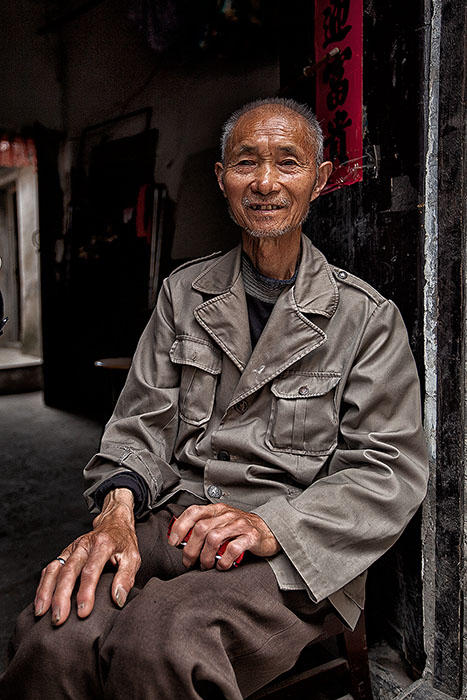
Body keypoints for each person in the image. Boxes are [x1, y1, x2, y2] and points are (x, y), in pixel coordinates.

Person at [0, 98, 428, 699]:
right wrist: (116, 515)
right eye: (246, 162)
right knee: (54, 628)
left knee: (162, 640)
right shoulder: (184, 293)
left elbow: (389, 471)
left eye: (289, 162)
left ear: (321, 179)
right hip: (177, 518)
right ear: (222, 178)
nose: (266, 182)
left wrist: (267, 524)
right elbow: (137, 423)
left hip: (291, 548)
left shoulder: (365, 319)